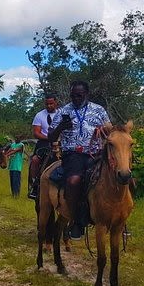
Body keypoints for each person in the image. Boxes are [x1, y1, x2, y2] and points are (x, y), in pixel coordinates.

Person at [47, 81, 112, 240]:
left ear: (86, 94)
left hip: (96, 153)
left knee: (118, 175)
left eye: (79, 95)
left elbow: (110, 129)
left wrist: (103, 129)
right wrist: (61, 127)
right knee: (74, 180)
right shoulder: (63, 111)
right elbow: (51, 137)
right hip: (73, 155)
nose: (76, 98)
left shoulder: (98, 110)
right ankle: (76, 221)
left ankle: (119, 219)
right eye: (73, 95)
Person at [28, 93, 59, 199]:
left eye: (51, 103)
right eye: (47, 104)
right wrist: (49, 138)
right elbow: (36, 133)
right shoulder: (39, 115)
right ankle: (35, 184)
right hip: (44, 143)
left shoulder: (61, 114)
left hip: (60, 143)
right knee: (35, 160)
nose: (49, 106)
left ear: (56, 102)